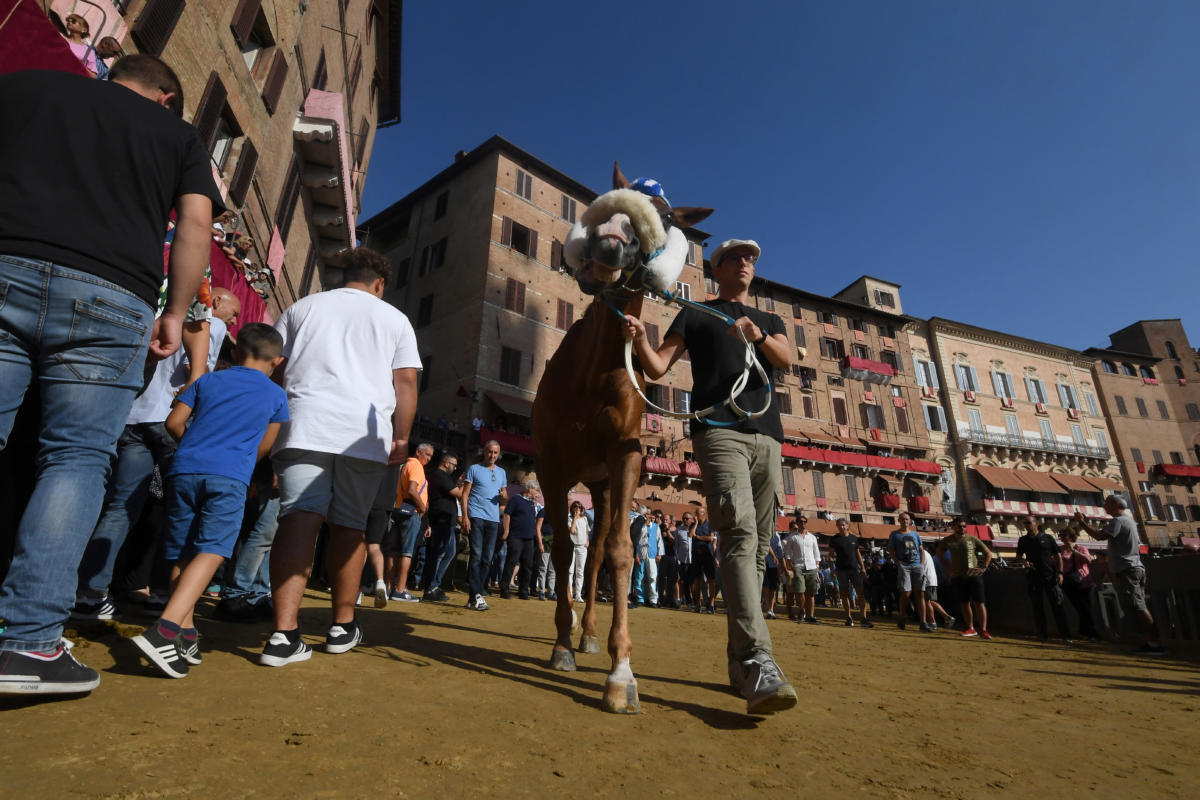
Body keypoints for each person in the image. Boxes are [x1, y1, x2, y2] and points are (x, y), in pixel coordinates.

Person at [0, 56, 218, 695]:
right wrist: (175, 312)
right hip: (110, 294)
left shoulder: (28, 85)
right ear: (168, 95)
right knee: (73, 459)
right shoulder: (178, 136)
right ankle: (27, 645)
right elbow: (196, 225)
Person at [625, 236, 796, 714]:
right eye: (736, 257)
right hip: (719, 433)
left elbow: (786, 360)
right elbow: (658, 367)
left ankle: (739, 664)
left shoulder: (769, 321)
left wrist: (757, 337)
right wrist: (639, 338)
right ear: (715, 269)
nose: (746, 263)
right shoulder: (696, 314)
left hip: (768, 437)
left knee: (759, 548)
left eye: (751, 259)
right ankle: (758, 658)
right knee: (739, 535)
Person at [259, 248, 420, 667]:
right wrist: (401, 438)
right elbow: (404, 383)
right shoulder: (395, 320)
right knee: (350, 526)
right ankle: (341, 626)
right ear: (379, 283)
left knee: (297, 518)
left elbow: (274, 367)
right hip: (362, 437)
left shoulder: (302, 308)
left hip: (303, 423)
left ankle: (283, 634)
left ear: (343, 275)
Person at [73, 287, 240, 619]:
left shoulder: (157, 315)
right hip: (171, 419)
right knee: (179, 511)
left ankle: (90, 593)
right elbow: (199, 376)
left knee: (121, 507)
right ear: (215, 302)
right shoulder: (212, 325)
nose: (235, 321)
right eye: (233, 313)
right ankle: (164, 594)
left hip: (135, 418)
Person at [132, 324, 288, 677]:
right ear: (277, 361)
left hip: (185, 470)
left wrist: (194, 446)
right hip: (230, 474)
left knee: (182, 551)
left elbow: (174, 423)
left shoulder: (207, 381)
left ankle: (185, 632)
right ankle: (165, 629)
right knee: (214, 549)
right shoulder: (276, 395)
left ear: (234, 353)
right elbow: (266, 446)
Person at [1074, 497, 1164, 655]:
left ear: (1116, 505)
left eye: (1107, 502)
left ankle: (1155, 644)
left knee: (1138, 606)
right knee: (1137, 606)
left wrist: (1082, 523)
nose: (1103, 505)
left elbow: (1099, 536)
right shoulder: (1127, 521)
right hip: (1132, 567)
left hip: (1127, 569)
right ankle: (1150, 642)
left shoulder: (1118, 521)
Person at [461, 441, 508, 611]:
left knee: (488, 558)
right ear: (484, 452)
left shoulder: (502, 472)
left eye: (495, 453)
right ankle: (476, 595)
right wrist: (465, 516)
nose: (492, 455)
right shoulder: (474, 469)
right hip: (476, 516)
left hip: (493, 519)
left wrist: (503, 497)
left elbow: (505, 499)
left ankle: (475, 595)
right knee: (476, 555)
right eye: (490, 452)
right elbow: (464, 495)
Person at [1016, 516, 1071, 643]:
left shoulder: (1047, 538)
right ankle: (1042, 635)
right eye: (1025, 523)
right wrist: (1025, 561)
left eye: (1029, 523)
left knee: (1057, 605)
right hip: (1034, 576)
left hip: (1050, 575)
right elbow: (1018, 555)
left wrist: (1060, 572)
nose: (1026, 525)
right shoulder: (1023, 540)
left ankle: (1065, 635)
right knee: (1037, 607)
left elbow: (1057, 555)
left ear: (1036, 524)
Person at [935, 518, 993, 639]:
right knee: (964, 603)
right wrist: (949, 571)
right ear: (953, 527)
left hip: (974, 575)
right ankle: (971, 628)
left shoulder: (972, 539)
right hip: (959, 576)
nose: (962, 528)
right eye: (959, 526)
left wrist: (983, 567)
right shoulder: (947, 540)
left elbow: (988, 552)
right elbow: (939, 554)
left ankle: (983, 629)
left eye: (963, 526)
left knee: (979, 603)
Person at [389, 443, 432, 601]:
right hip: (411, 512)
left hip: (398, 510)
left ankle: (388, 588)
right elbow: (412, 489)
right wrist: (422, 508)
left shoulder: (403, 465)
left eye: (430, 456)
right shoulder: (416, 466)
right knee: (407, 552)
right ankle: (400, 590)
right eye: (426, 454)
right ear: (418, 452)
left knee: (393, 551)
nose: (428, 458)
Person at [421, 452, 463, 602]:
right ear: (446, 463)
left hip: (447, 520)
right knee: (439, 553)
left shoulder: (444, 477)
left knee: (448, 552)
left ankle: (434, 585)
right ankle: (430, 587)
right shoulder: (439, 475)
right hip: (441, 519)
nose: (455, 467)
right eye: (454, 465)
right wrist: (468, 486)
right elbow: (457, 493)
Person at [500, 480, 543, 600]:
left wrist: (534, 502)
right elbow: (507, 515)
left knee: (528, 565)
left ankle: (523, 590)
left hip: (529, 538)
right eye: (537, 490)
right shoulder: (515, 499)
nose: (538, 493)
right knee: (511, 562)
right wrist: (506, 531)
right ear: (530, 489)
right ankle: (504, 589)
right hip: (516, 536)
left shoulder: (532, 503)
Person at [887, 512, 929, 631]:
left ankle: (923, 622)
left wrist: (921, 563)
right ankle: (902, 617)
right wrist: (898, 562)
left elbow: (921, 549)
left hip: (917, 565)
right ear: (899, 520)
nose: (905, 521)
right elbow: (890, 549)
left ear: (910, 520)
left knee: (920, 593)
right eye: (903, 519)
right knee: (906, 593)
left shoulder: (915, 534)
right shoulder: (895, 534)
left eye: (907, 519)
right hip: (904, 566)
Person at [828, 518, 872, 627]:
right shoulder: (834, 539)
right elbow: (830, 556)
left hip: (854, 569)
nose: (841, 527)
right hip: (841, 570)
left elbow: (858, 554)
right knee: (844, 594)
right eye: (838, 525)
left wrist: (862, 567)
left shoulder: (853, 538)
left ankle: (864, 618)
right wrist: (832, 569)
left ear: (847, 526)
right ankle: (848, 618)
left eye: (843, 525)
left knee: (860, 594)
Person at [1059, 527, 1098, 641]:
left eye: (1063, 535)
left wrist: (1074, 551)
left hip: (1084, 581)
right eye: (1060, 535)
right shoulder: (1060, 549)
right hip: (1069, 582)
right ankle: (1088, 632)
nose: (1061, 537)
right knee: (1081, 608)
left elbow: (1088, 560)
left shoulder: (1080, 547)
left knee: (1087, 608)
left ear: (1071, 536)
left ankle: (1089, 632)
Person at [782, 516, 821, 624]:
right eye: (800, 521)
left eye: (804, 521)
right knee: (800, 591)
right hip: (798, 566)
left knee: (811, 593)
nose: (802, 523)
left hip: (811, 566)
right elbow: (788, 552)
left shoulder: (812, 537)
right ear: (797, 523)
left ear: (806, 523)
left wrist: (816, 566)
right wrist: (790, 564)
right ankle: (802, 611)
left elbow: (816, 553)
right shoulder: (792, 537)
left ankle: (811, 616)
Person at [690, 507, 718, 614]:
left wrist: (697, 537)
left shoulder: (710, 525)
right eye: (695, 513)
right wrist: (696, 523)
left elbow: (710, 538)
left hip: (708, 556)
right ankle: (698, 604)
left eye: (698, 513)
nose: (696, 514)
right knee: (696, 581)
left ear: (704, 514)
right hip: (696, 556)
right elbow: (690, 534)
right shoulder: (693, 525)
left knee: (711, 581)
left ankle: (711, 604)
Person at [567, 501, 590, 603]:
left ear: (582, 509)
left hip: (582, 547)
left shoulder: (585, 519)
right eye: (575, 507)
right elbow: (571, 531)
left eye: (579, 507)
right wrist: (575, 519)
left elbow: (586, 532)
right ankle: (570, 594)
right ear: (572, 509)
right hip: (572, 546)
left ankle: (578, 595)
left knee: (580, 572)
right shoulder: (570, 518)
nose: (577, 509)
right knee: (570, 571)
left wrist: (587, 542)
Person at [762, 526, 785, 620]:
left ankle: (770, 610)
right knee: (765, 586)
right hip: (762, 563)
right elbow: (766, 545)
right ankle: (767, 608)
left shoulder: (777, 536)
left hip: (773, 565)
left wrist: (783, 567)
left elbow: (780, 552)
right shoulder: (762, 533)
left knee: (772, 588)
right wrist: (775, 557)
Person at [673, 512, 693, 609]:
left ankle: (697, 601)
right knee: (684, 581)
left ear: (691, 519)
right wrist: (678, 559)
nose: (684, 520)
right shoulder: (679, 530)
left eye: (686, 518)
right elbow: (676, 546)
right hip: (683, 560)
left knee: (694, 581)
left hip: (694, 560)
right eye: (683, 518)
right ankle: (688, 602)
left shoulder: (695, 529)